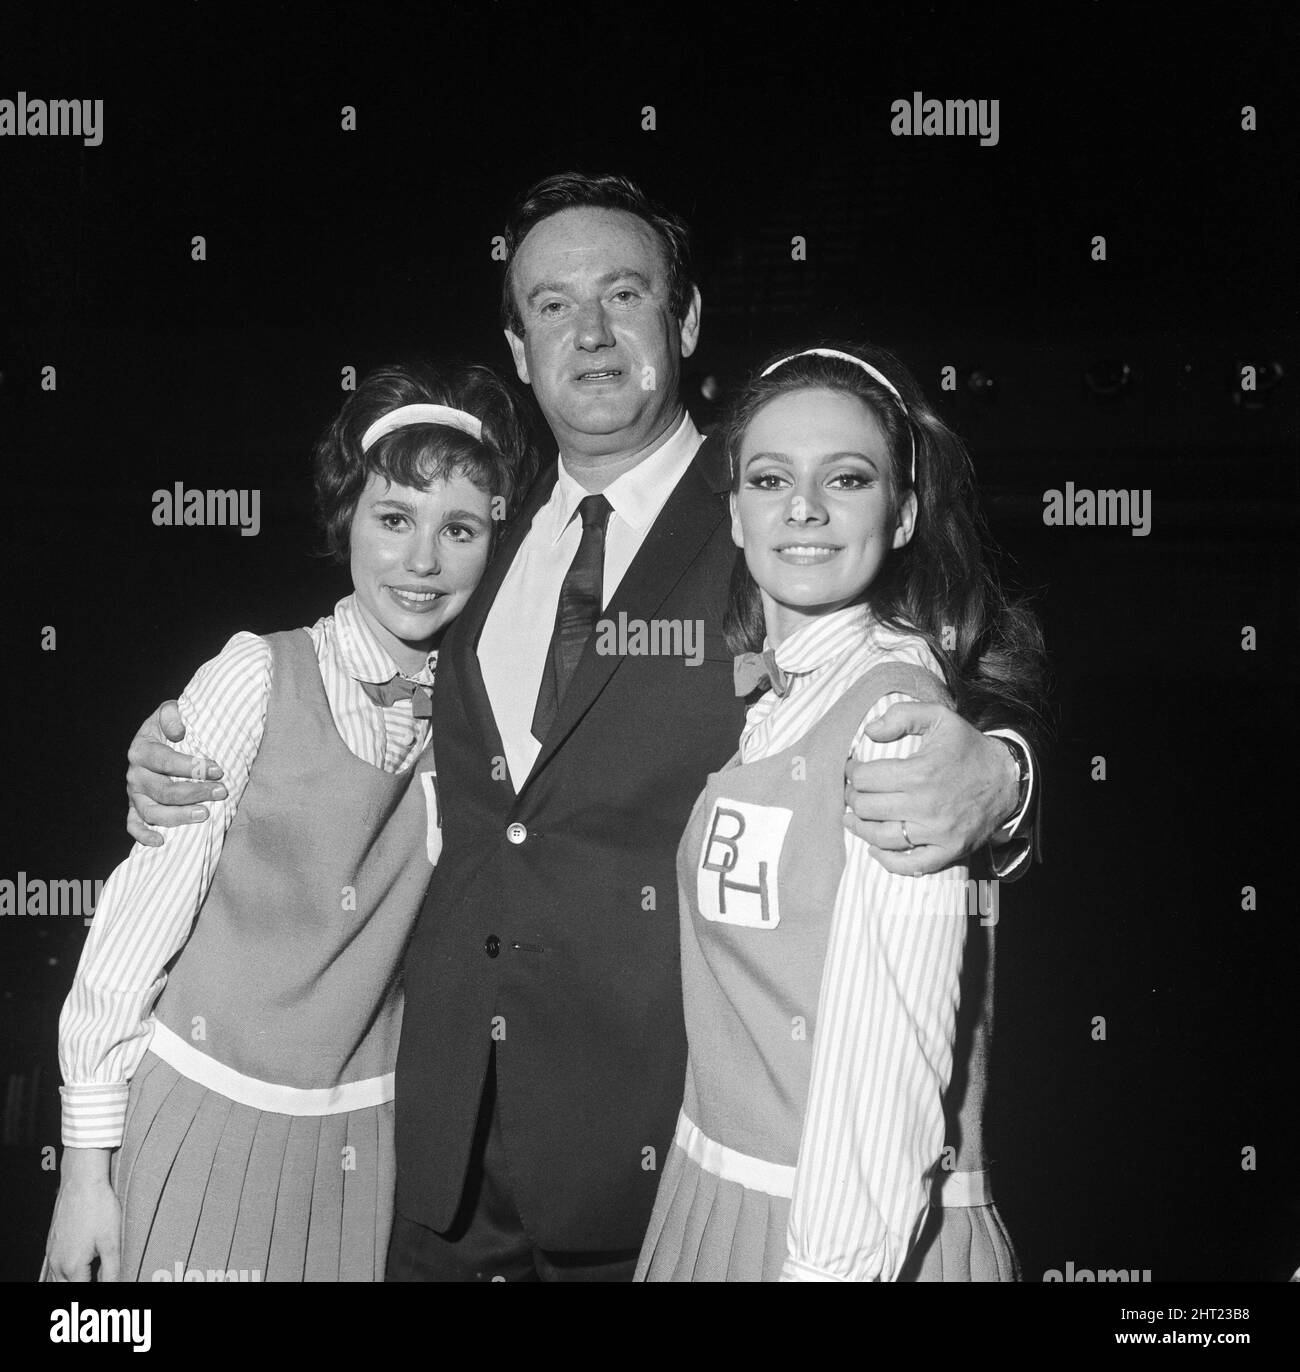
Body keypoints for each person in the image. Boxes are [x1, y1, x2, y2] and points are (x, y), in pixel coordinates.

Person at [123, 173, 1040, 1282]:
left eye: (624, 293)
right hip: (440, 1157)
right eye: (552, 305)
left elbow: (932, 675)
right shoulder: (476, 533)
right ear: (516, 345)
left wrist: (1003, 774)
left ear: (686, 318)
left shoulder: (775, 513)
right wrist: (198, 752)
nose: (591, 332)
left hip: (661, 1180)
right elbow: (361, 711)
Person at [43, 362, 533, 1282]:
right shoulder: (254, 677)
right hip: (198, 1120)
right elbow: (134, 925)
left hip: (366, 1155)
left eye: (458, 529)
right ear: (347, 518)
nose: (421, 562)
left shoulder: (496, 717)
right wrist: (84, 1171)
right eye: (394, 520)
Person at [636, 344, 1045, 1281]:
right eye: (770, 477)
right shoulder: (785, 695)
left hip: (841, 1233)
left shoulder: (900, 725)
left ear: (901, 515)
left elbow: (885, 1069)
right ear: (734, 513)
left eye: (847, 479)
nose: (804, 508)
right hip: (720, 1197)